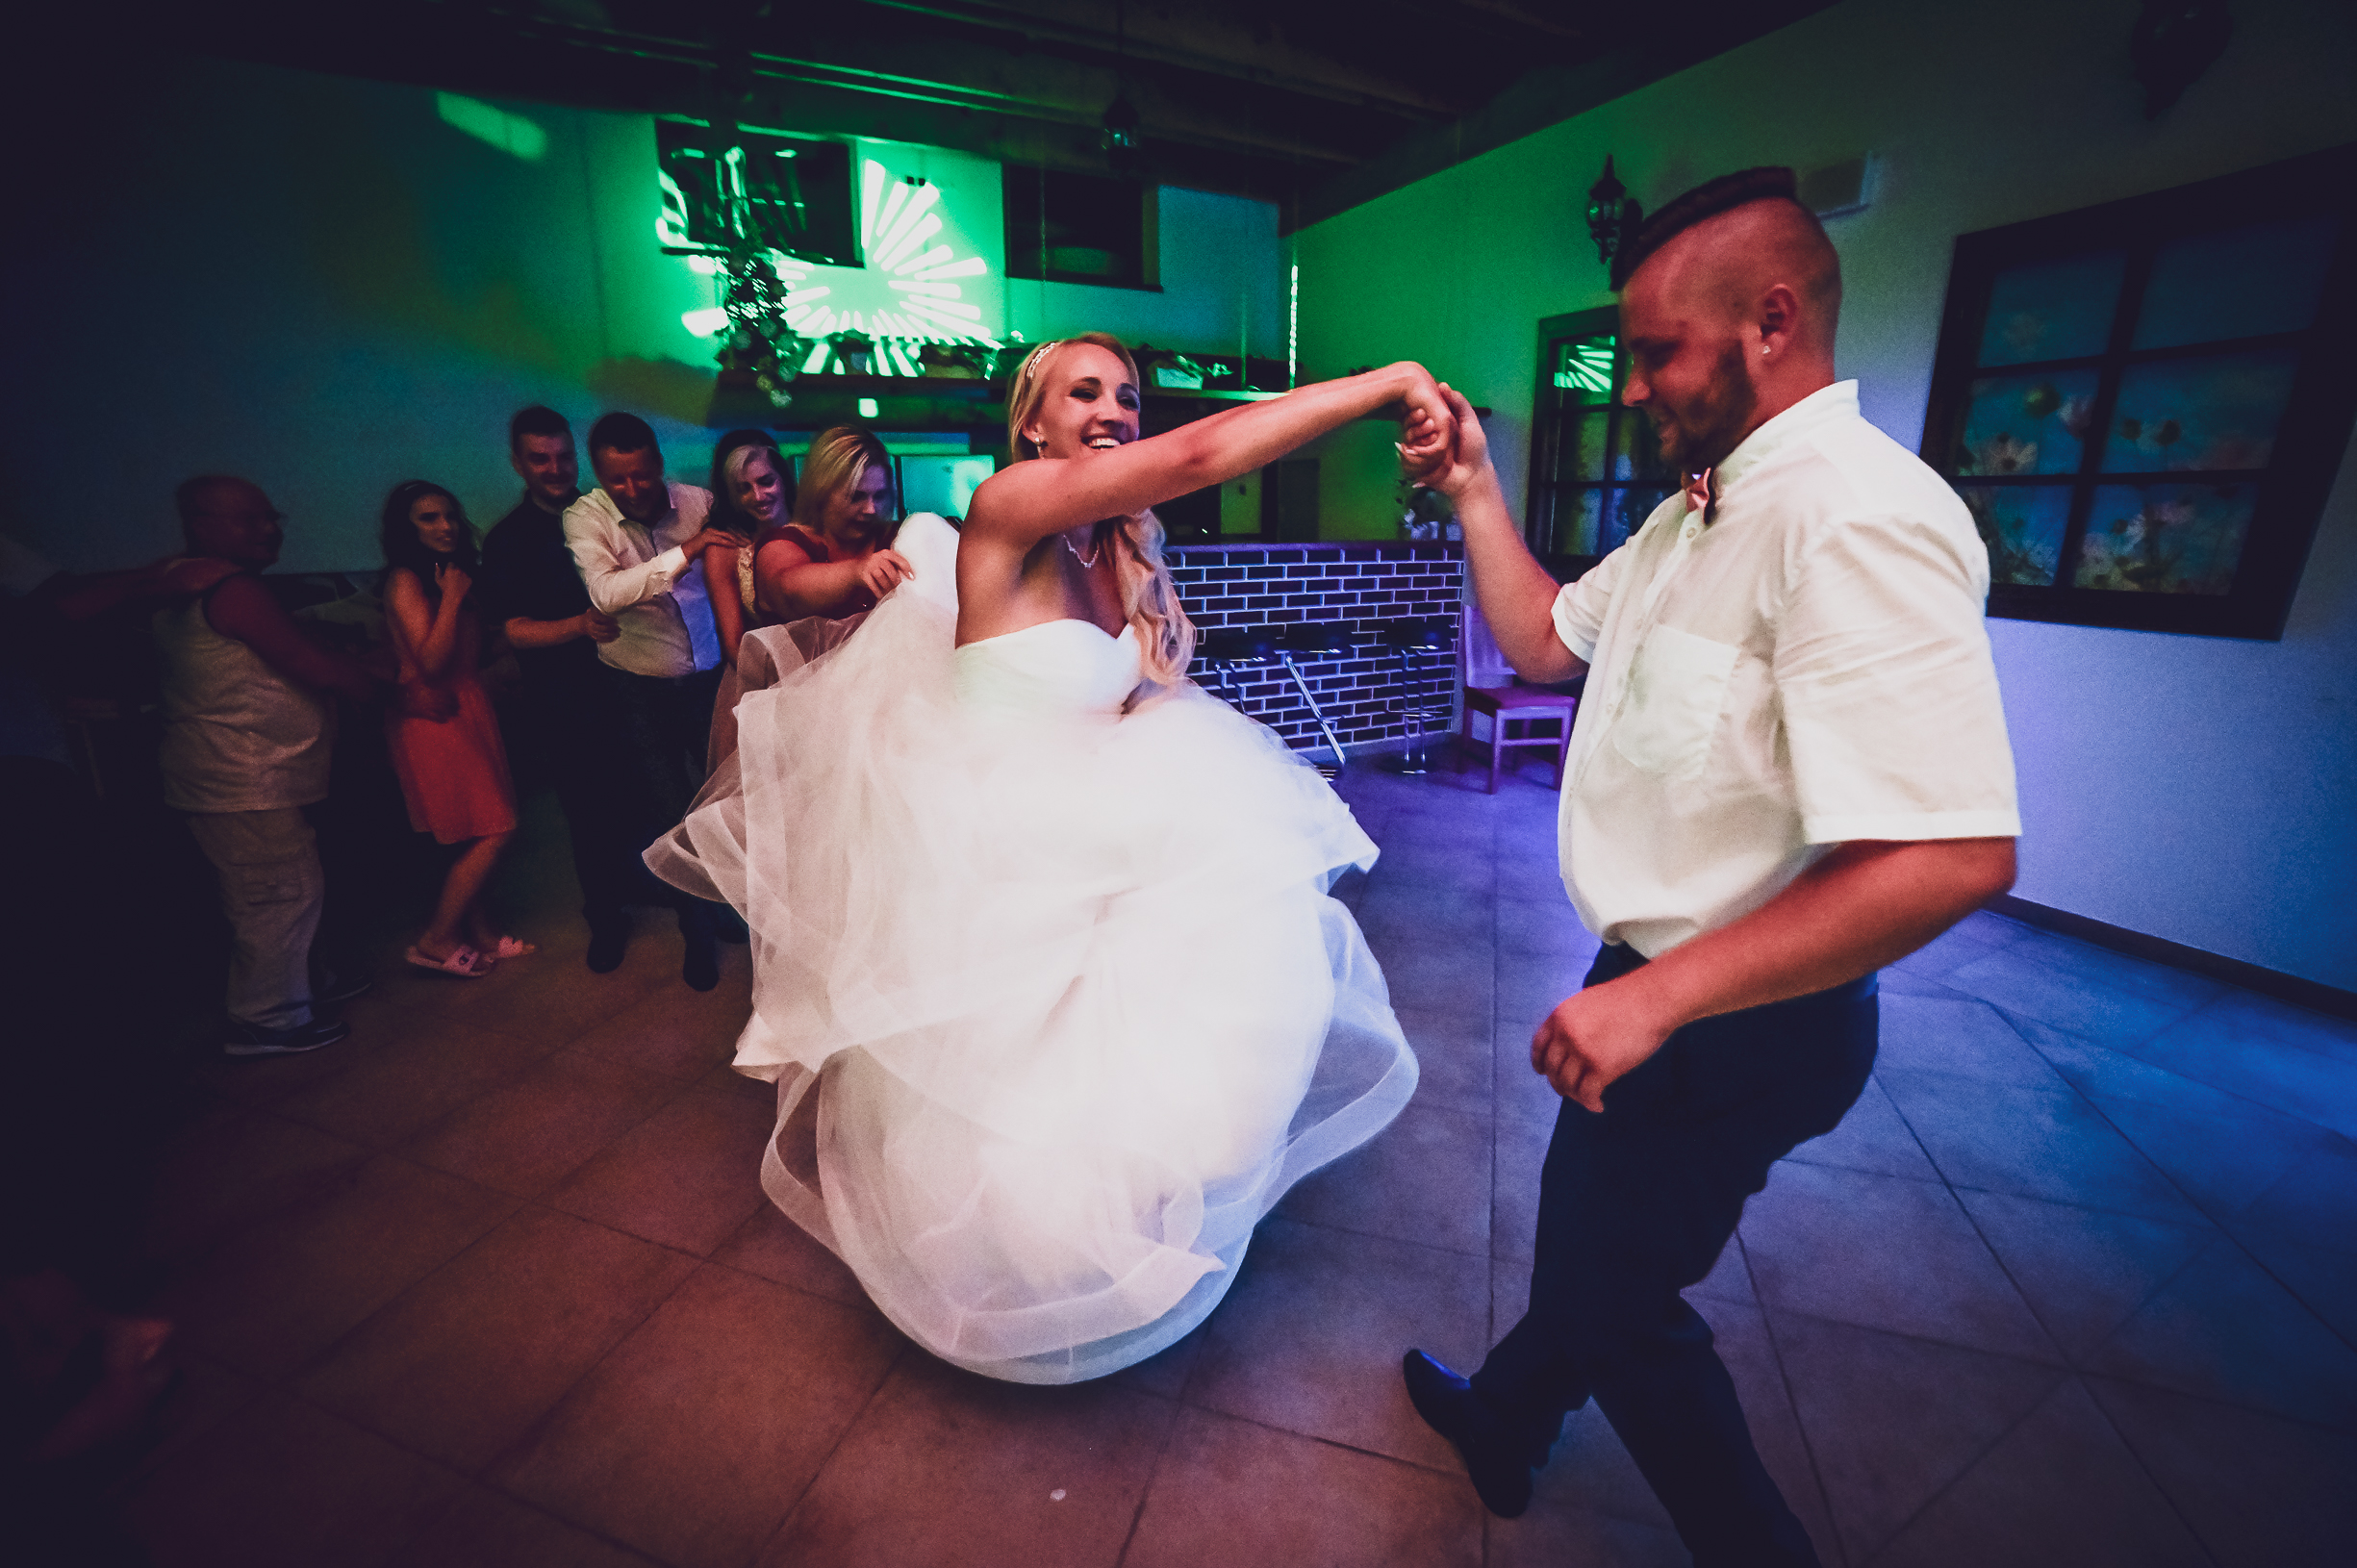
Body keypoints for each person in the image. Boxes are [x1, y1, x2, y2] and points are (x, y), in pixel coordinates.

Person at [1399, 168, 2021, 1566]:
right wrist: (1475, 488)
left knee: (1614, 1302)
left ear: (1771, 322)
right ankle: (1505, 1413)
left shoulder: (1853, 515)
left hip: (1735, 1019)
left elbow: (1953, 852)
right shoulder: (1695, 510)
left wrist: (1657, 996)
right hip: (1667, 993)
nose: (1626, 386)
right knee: (1596, 1259)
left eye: (1653, 350)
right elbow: (1543, 641)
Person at [647, 334, 1455, 1383]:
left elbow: (1117, 692)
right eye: (1084, 392)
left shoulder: (1113, 548)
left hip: (1100, 825)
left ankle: (1131, 1240)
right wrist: (1386, 379)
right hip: (997, 850)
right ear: (1031, 422)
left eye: (1127, 395)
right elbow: (1198, 454)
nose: (1113, 409)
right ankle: (1016, 1280)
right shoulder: (1011, 506)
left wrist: (1151, 718)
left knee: (1163, 1048)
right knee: (1013, 1096)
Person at [153, 476, 444, 1054]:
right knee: (276, 896)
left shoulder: (191, 582)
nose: (270, 530)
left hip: (250, 776)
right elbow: (316, 667)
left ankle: (309, 984)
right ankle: (267, 1018)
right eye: (250, 520)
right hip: (239, 778)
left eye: (272, 518)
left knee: (293, 886)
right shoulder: (230, 588)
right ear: (202, 524)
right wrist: (397, 692)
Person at [562, 412, 740, 991]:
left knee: (721, 803)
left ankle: (726, 908)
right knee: (669, 814)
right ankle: (696, 931)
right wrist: (686, 552)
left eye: (642, 474)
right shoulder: (585, 516)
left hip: (710, 680)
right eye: (618, 478)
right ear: (599, 474)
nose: (633, 488)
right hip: (639, 688)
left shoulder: (699, 502)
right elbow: (605, 592)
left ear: (659, 463)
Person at [477, 406, 650, 973]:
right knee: (586, 811)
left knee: (641, 798)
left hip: (632, 685)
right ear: (517, 463)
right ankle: (605, 918)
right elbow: (509, 631)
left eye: (562, 457)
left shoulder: (608, 510)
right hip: (564, 698)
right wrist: (578, 625)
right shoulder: (507, 540)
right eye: (540, 459)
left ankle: (645, 884)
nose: (555, 469)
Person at [379, 480, 530, 975]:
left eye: (449, 515)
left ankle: (479, 932)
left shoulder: (450, 575)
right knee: (497, 827)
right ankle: (436, 937)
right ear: (406, 528)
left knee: (475, 829)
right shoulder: (406, 579)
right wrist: (450, 600)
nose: (445, 526)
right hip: (434, 715)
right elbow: (431, 665)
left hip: (469, 705)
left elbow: (475, 653)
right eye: (428, 518)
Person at [750, 425, 913, 622]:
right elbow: (788, 593)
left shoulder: (896, 536)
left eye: (879, 496)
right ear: (822, 492)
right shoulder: (783, 542)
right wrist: (857, 571)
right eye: (856, 496)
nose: (871, 509)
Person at [702, 430, 784, 767]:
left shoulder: (814, 528)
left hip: (825, 672)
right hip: (757, 684)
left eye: (766, 481)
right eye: (743, 488)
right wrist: (784, 689)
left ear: (783, 477)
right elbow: (734, 644)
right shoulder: (725, 548)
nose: (759, 495)